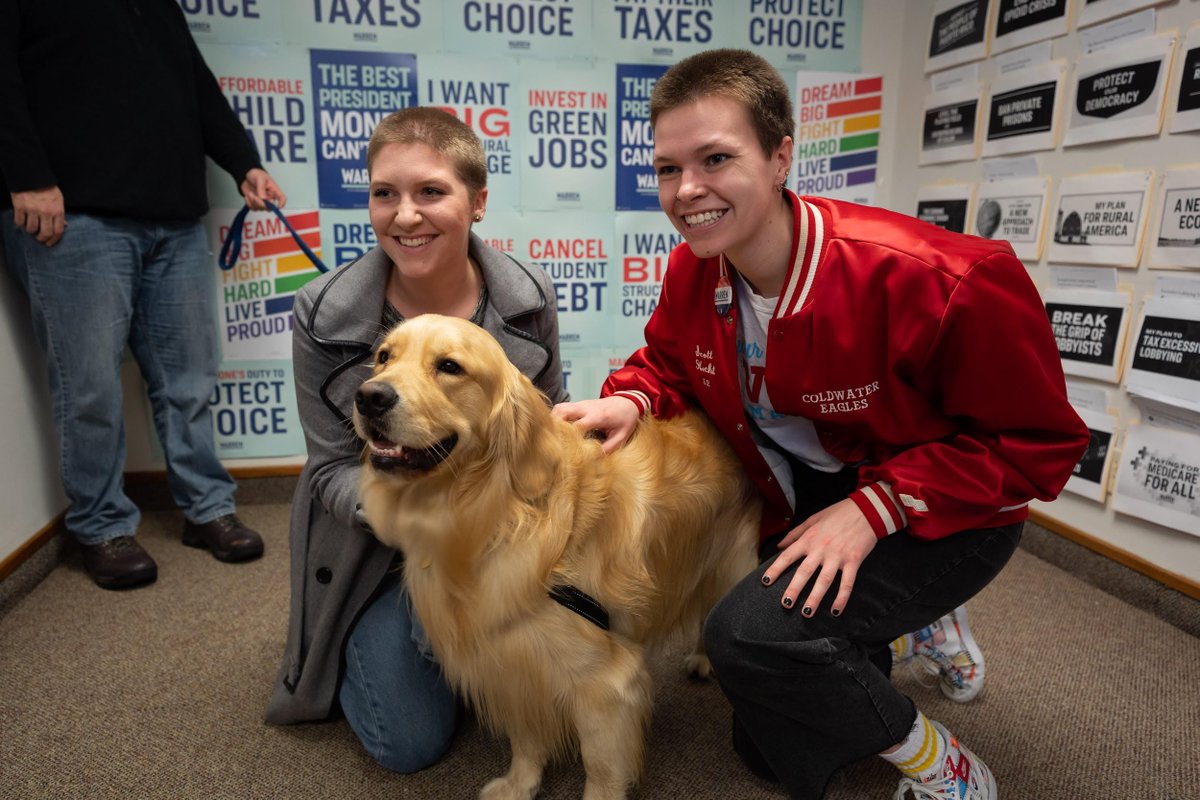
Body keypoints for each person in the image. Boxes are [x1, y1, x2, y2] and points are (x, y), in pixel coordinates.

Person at [554, 49, 1088, 800]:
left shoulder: (945, 280)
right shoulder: (695, 268)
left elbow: (1040, 447)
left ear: (780, 158)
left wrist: (877, 509)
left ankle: (942, 765)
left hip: (946, 514)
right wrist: (633, 397)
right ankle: (912, 629)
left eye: (715, 159)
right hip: (814, 499)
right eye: (669, 168)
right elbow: (671, 359)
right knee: (768, 745)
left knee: (745, 637)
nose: (687, 191)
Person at [265, 107, 568, 774]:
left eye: (430, 191)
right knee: (409, 743)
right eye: (385, 194)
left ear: (477, 201)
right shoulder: (323, 311)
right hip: (383, 547)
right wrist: (431, 523)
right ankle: (352, 641)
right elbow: (328, 473)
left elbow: (545, 421)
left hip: (500, 535)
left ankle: (459, 646)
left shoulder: (528, 296)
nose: (405, 216)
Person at [0, 0, 286, 590]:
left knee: (191, 379)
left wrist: (243, 162)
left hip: (174, 216)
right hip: (72, 216)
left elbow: (197, 86)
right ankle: (100, 524)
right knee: (88, 388)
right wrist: (24, 173)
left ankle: (207, 507)